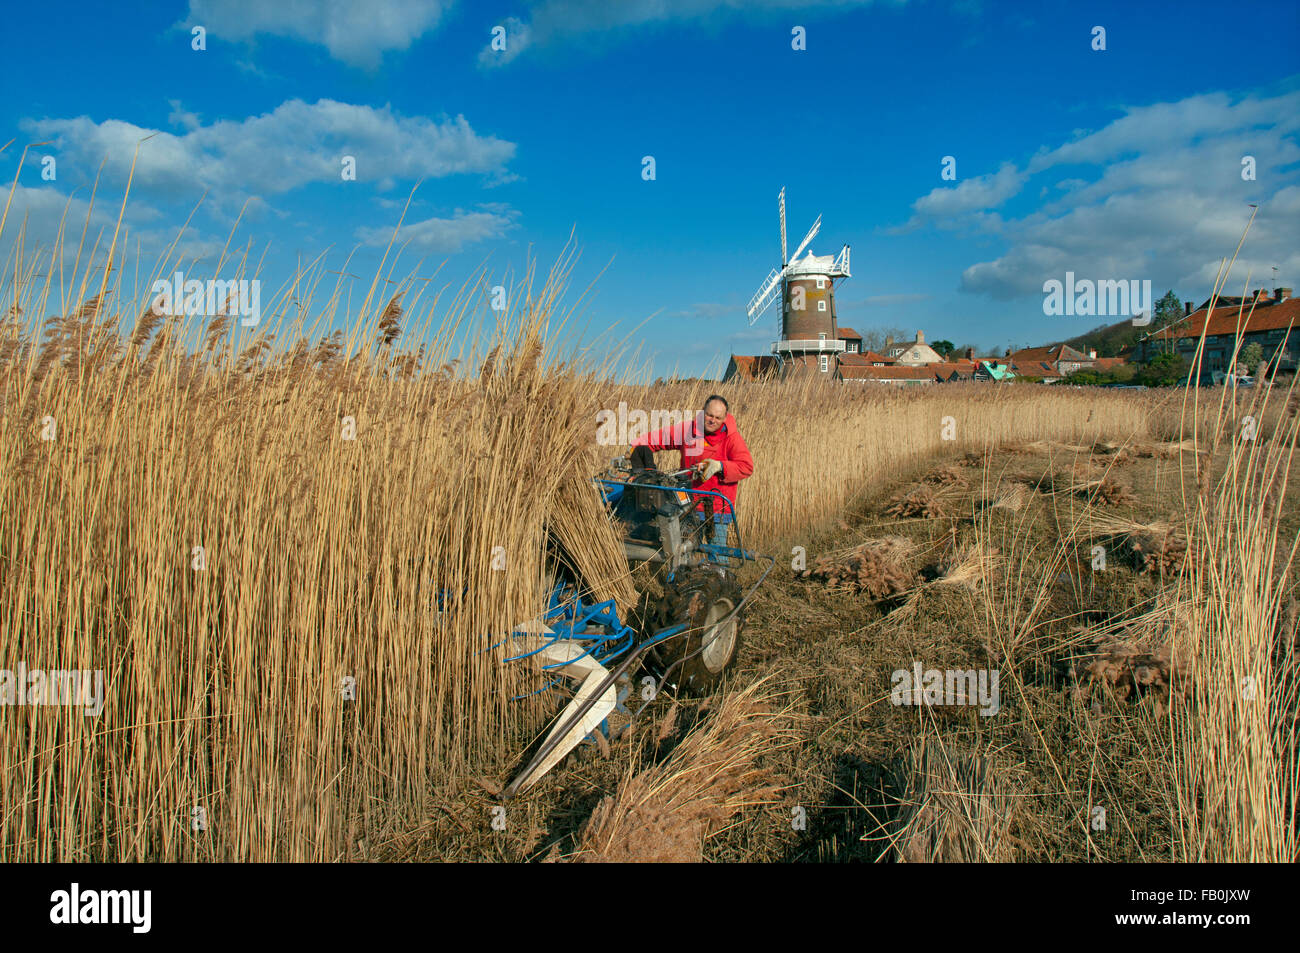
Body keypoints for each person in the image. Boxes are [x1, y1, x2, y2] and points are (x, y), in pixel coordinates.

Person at [630, 395, 753, 564]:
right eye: (709, 415)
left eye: (718, 417)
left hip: (716, 508)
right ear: (703, 412)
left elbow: (746, 466)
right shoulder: (688, 430)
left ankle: (720, 580)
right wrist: (637, 446)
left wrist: (720, 467)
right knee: (683, 553)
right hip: (687, 506)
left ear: (725, 418)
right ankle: (685, 583)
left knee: (717, 554)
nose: (712, 420)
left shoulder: (732, 438)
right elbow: (658, 438)